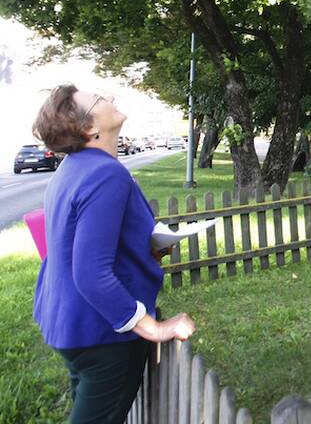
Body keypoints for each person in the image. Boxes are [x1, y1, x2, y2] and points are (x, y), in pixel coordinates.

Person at [32, 84, 196, 424]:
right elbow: (90, 273)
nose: (111, 98)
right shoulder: (106, 174)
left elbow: (76, 243)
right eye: (100, 99)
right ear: (88, 128)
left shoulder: (73, 168)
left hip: (69, 324)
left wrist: (144, 251)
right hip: (102, 335)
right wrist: (154, 329)